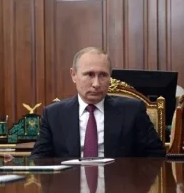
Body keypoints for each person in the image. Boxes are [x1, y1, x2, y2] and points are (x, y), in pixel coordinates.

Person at [30, 47, 165, 158]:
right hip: (70, 187)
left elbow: (156, 157)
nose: (96, 84)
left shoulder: (132, 111)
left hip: (120, 187)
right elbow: (39, 160)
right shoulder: (54, 114)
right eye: (89, 74)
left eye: (103, 75)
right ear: (73, 75)